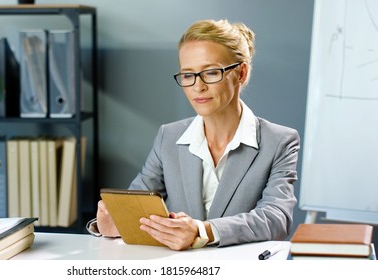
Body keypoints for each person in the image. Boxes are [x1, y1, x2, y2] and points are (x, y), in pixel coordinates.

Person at [88, 19, 300, 251]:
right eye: (188, 75)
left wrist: (202, 231)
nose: (197, 87)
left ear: (241, 73)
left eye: (210, 72)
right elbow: (136, 205)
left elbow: (276, 219)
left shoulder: (279, 142)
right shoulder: (168, 136)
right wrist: (110, 223)